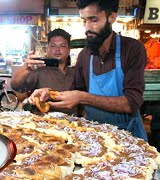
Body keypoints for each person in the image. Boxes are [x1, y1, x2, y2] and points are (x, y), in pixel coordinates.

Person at [29, 0, 148, 141]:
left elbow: (132, 103)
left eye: (94, 20)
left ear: (112, 17)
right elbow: (75, 93)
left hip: (129, 136)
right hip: (96, 138)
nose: (87, 28)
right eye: (84, 21)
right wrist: (49, 94)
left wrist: (84, 97)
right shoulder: (85, 56)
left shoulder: (132, 49)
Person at [11, 29, 75, 115]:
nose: (57, 49)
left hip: (72, 123)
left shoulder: (75, 72)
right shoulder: (39, 70)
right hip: (42, 123)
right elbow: (16, 86)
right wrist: (25, 68)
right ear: (48, 49)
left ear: (68, 50)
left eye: (62, 46)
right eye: (53, 46)